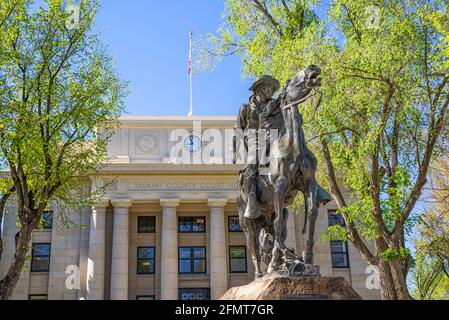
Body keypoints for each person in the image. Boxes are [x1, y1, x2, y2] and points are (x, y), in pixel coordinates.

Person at [234, 76, 280, 219]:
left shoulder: (275, 106)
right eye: (269, 88)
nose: (271, 92)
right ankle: (251, 198)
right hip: (254, 139)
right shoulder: (246, 108)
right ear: (259, 89)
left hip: (272, 138)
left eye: (273, 89)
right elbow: (238, 129)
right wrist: (235, 149)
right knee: (252, 165)